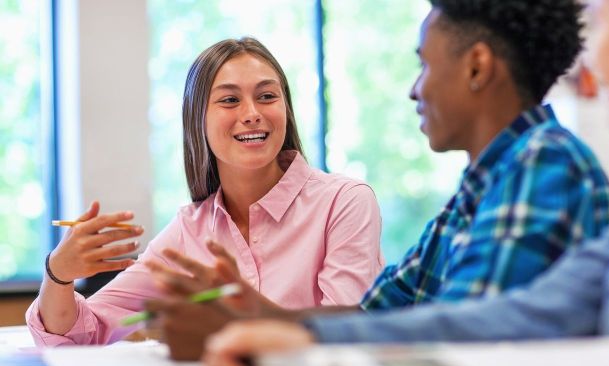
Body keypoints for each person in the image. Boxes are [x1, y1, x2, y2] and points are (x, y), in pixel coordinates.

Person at [200, 0, 609, 366]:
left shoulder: (544, 164)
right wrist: (279, 328)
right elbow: (390, 311)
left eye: (606, 21)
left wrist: (287, 340)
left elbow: (473, 337)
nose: (415, 89)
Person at [25, 37, 384, 346]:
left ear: (285, 110)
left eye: (267, 96)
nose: (252, 113)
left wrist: (235, 325)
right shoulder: (189, 231)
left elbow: (344, 335)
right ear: (198, 119)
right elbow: (84, 334)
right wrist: (58, 271)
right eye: (229, 100)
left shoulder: (345, 202)